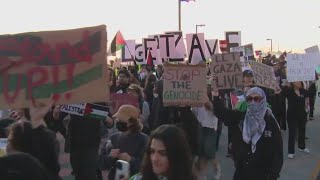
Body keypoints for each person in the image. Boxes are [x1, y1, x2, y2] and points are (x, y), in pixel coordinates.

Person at [213, 87, 283, 180]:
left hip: (264, 174)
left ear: (262, 100)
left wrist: (274, 174)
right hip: (242, 170)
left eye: (256, 99)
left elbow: (277, 150)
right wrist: (216, 96)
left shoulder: (270, 120)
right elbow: (224, 114)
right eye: (249, 99)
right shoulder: (241, 117)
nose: (253, 102)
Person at [99, 105, 148, 180]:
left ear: (131, 122)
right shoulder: (113, 138)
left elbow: (146, 165)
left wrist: (130, 159)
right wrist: (110, 156)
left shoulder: (143, 139)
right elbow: (101, 163)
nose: (117, 121)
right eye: (117, 119)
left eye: (121, 119)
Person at [130, 125, 196, 180]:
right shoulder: (137, 178)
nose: (155, 159)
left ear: (177, 155)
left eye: (163, 153)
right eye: (152, 151)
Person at [192, 85, 221, 180]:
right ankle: (202, 175)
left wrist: (206, 101)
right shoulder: (197, 100)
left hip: (211, 128)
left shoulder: (212, 101)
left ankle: (217, 167)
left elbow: (213, 110)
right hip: (201, 128)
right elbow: (194, 113)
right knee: (202, 154)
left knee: (210, 152)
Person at [281, 81, 310, 159]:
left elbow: (307, 99)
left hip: (302, 115)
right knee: (292, 133)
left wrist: (307, 112)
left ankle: (302, 147)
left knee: (302, 130)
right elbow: (280, 93)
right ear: (293, 83)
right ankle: (291, 151)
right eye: (297, 81)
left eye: (300, 81)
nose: (299, 83)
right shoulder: (289, 91)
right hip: (292, 116)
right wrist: (285, 85)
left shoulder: (303, 91)